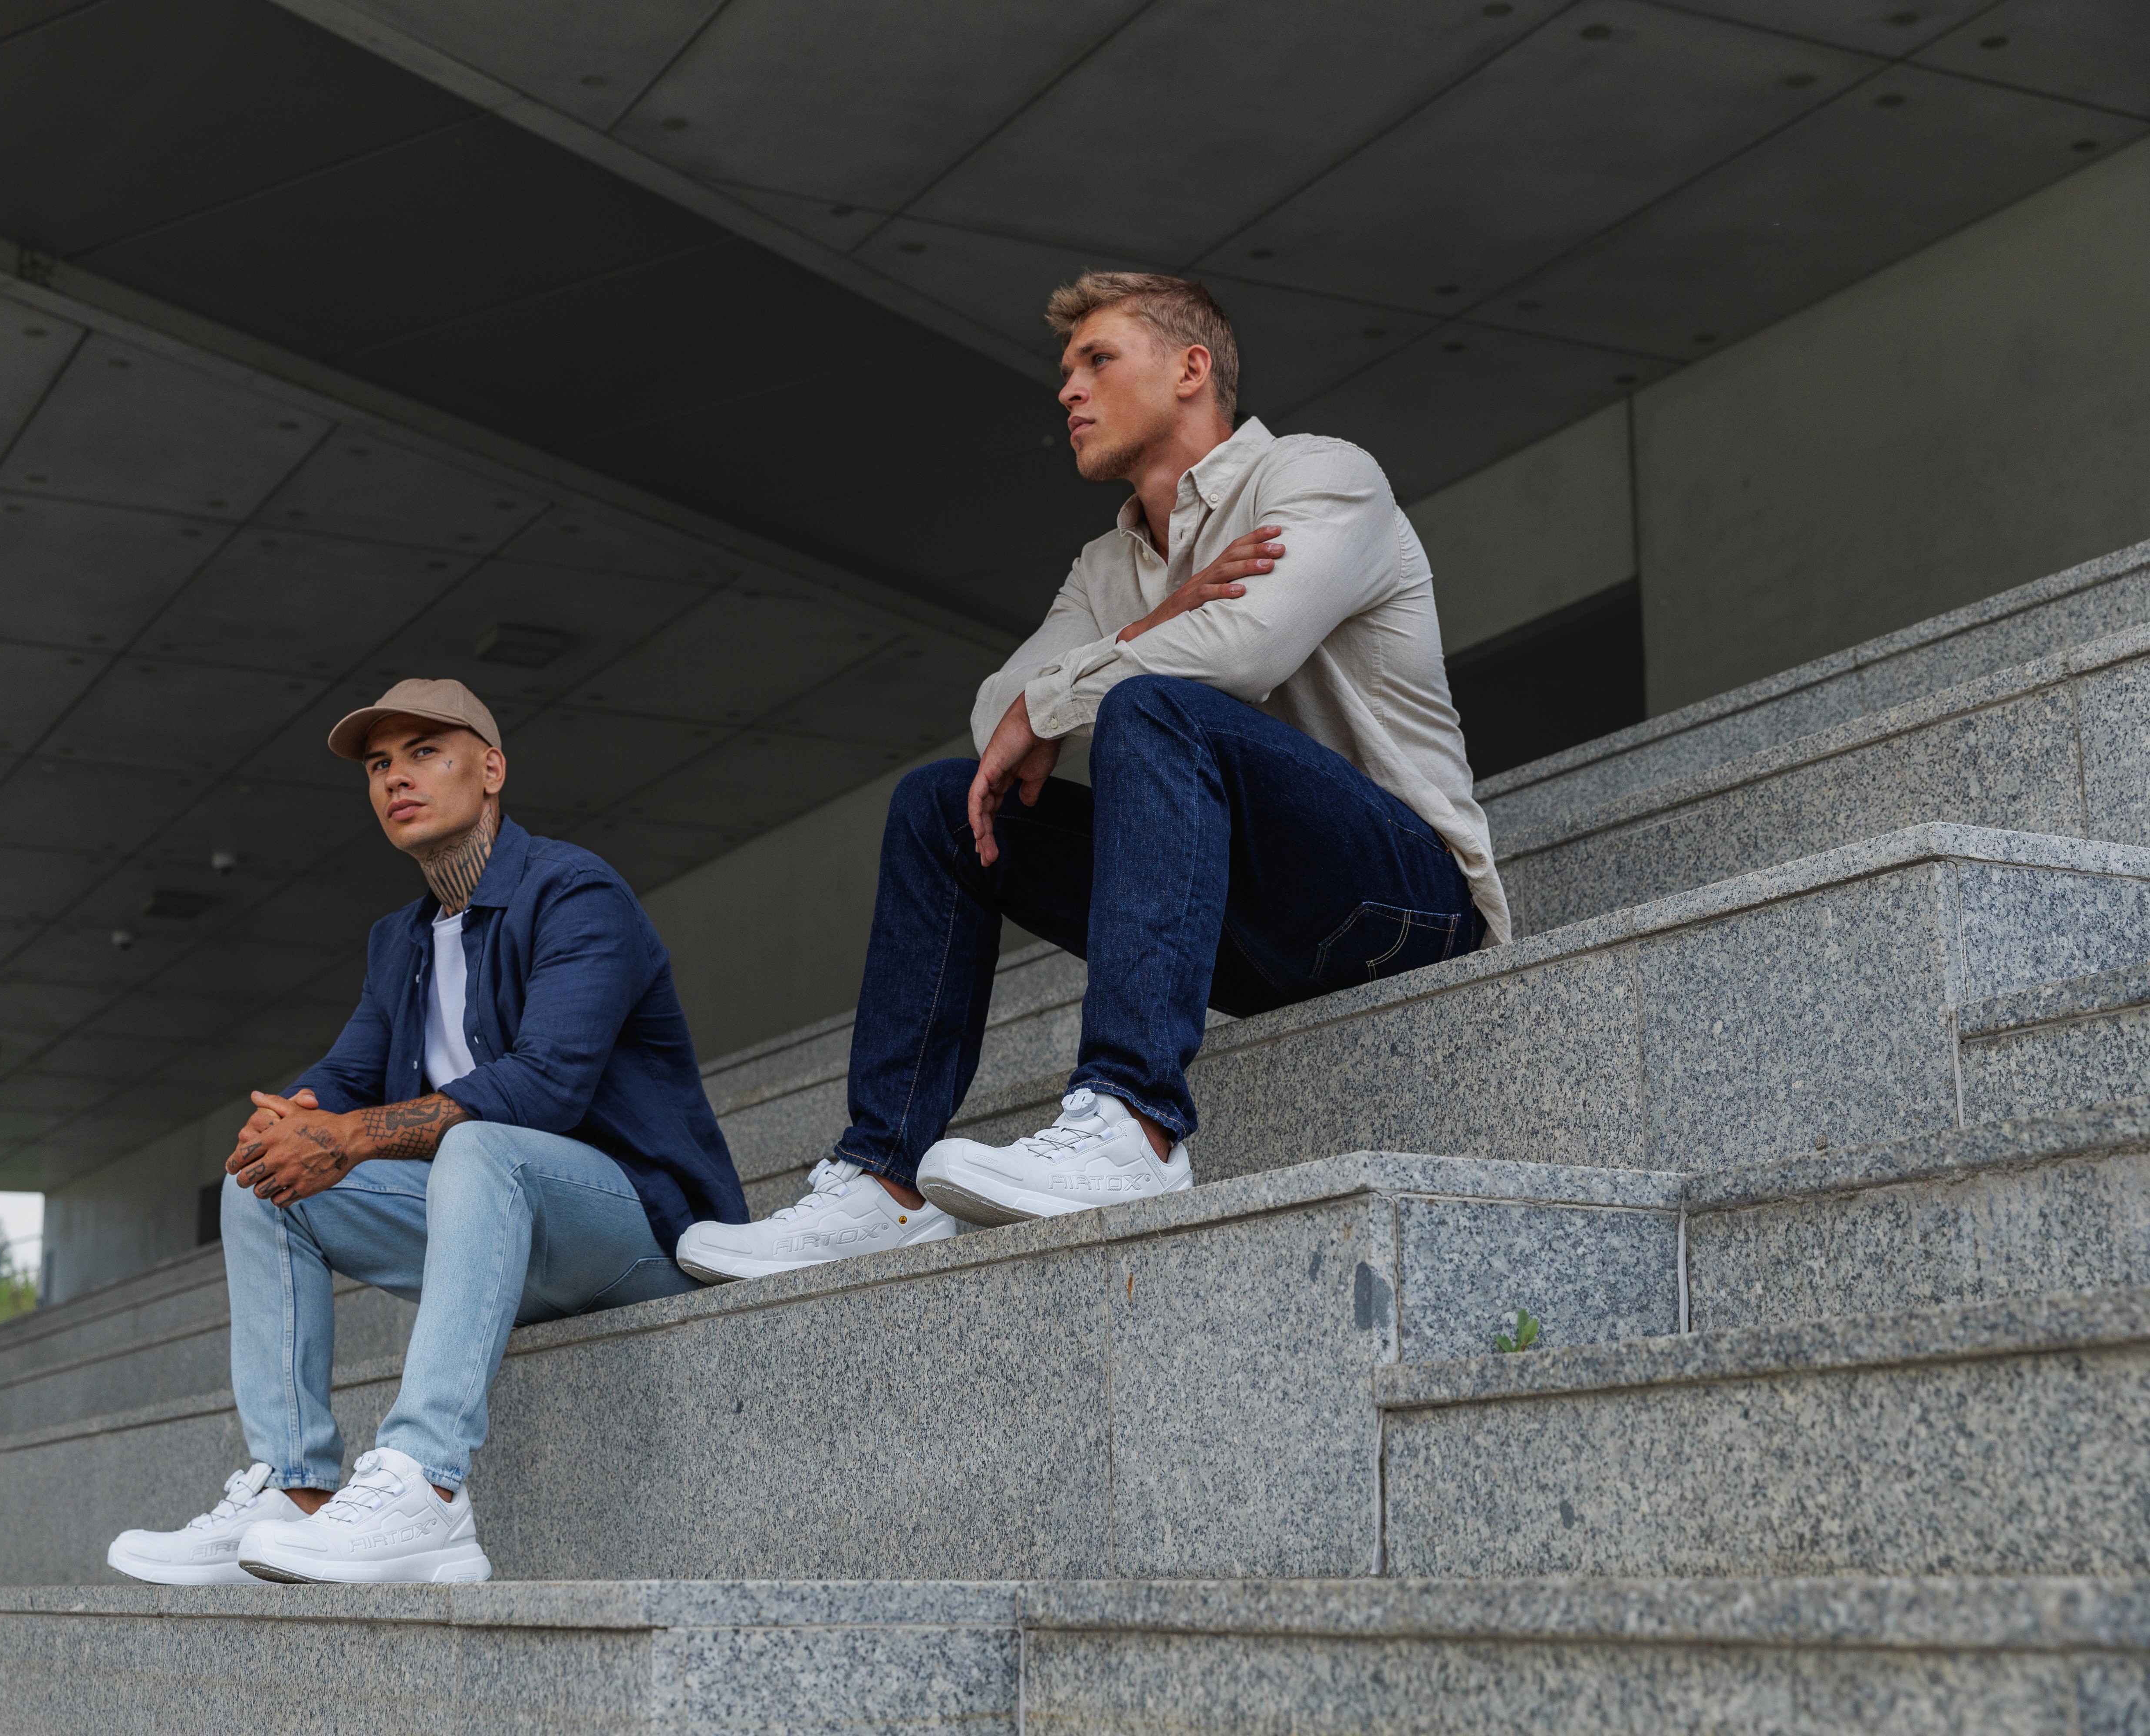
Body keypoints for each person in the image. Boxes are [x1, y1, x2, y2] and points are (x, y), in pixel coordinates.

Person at [676, 273, 1510, 1282]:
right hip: (1247, 927)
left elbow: (1244, 650)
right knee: (941, 804)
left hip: (1403, 903)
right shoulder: (1105, 567)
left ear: (1191, 369)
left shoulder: (1322, 476)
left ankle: (1134, 1124)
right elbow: (996, 716)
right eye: (1066, 370)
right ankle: (883, 1182)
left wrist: (1075, 689)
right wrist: (1156, 620)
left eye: (1098, 360)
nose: (1068, 390)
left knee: (1151, 707)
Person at [105, 677, 743, 1585]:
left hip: (631, 1230)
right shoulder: (399, 940)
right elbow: (348, 1073)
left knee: (477, 1142)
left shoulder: (575, 892)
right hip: (500, 1237)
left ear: (492, 770)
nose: (396, 778)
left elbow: (548, 1085)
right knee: (266, 1180)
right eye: (378, 765)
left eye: (425, 753)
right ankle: (294, 1488)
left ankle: (427, 1488)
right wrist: (294, 1118)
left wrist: (355, 1136)